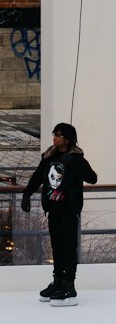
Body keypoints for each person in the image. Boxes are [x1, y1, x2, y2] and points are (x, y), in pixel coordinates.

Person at [21, 122, 98, 306]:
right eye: (54, 134)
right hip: (53, 208)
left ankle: (69, 284)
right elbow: (38, 175)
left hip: (69, 209)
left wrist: (75, 166)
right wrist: (27, 194)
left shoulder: (76, 158)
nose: (54, 138)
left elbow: (92, 178)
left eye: (58, 135)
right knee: (57, 246)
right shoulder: (49, 156)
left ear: (68, 138)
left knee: (69, 246)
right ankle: (58, 280)